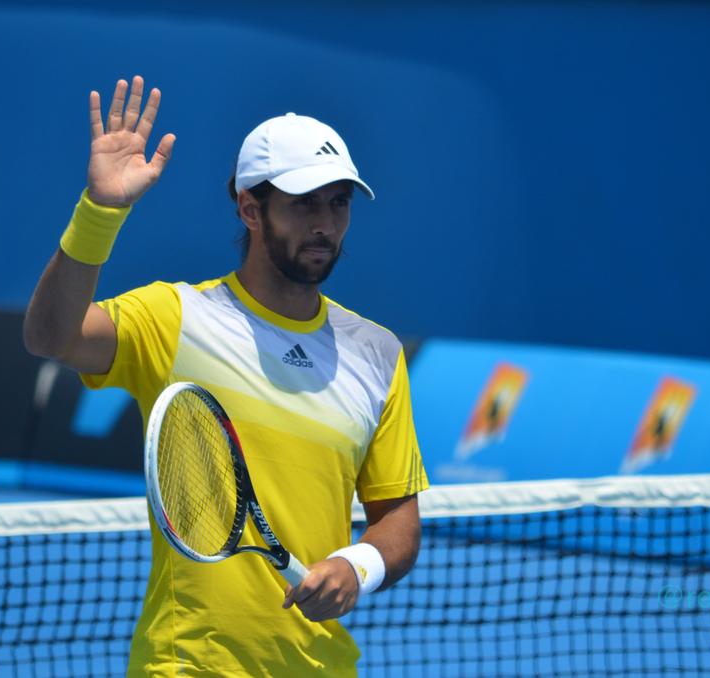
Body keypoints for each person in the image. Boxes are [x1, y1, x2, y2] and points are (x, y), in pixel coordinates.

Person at [23, 76, 429, 675]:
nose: (325, 223)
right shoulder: (176, 318)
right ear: (249, 207)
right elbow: (51, 335)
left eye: (338, 202)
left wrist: (355, 568)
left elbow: (397, 520)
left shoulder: (377, 354)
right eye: (303, 202)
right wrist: (100, 212)